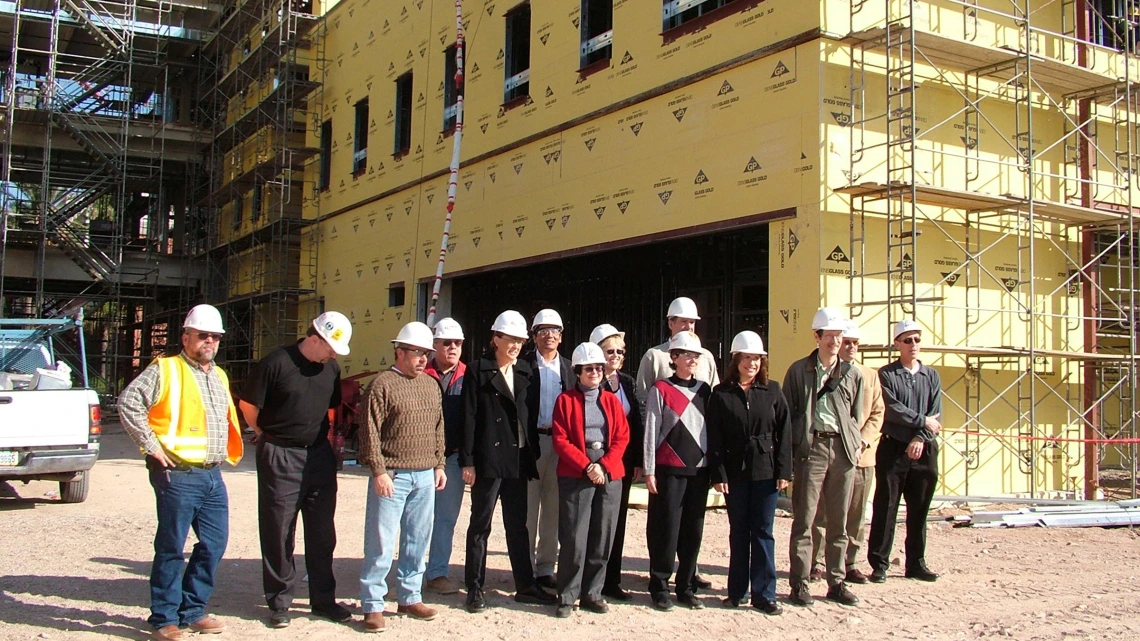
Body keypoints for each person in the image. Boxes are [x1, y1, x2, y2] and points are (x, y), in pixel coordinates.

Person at [119, 304, 243, 641]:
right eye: (203, 335)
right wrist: (151, 445)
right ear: (185, 336)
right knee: (172, 545)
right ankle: (164, 618)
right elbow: (129, 402)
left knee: (214, 543)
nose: (209, 341)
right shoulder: (166, 369)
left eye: (215, 337)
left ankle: (193, 610)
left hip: (211, 474)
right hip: (177, 473)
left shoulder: (218, 375)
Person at [238, 311, 353, 628]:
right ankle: (279, 603)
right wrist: (266, 437)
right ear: (314, 338)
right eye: (330, 347)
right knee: (278, 531)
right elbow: (248, 407)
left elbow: (329, 409)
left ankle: (323, 600)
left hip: (318, 457)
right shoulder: (276, 364)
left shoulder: (331, 368)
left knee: (322, 533)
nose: (332, 354)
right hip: (280, 455)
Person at [461, 310, 558, 613]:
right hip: (489, 460)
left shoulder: (525, 372)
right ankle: (475, 588)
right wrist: (468, 461)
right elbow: (469, 418)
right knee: (481, 525)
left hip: (518, 460)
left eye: (519, 340)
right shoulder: (479, 371)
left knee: (519, 526)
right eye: (510, 339)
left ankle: (526, 585)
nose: (515, 345)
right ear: (495, 339)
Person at [357, 322, 447, 633]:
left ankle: (410, 596)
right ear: (399, 352)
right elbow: (369, 431)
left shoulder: (431, 385)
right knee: (381, 542)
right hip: (393, 475)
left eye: (426, 353)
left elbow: (438, 427)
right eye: (417, 352)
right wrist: (379, 471)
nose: (423, 359)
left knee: (417, 540)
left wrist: (439, 464)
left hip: (424, 475)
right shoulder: (381, 385)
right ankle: (373, 604)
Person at [634, 296, 719, 591]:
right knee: (666, 521)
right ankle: (660, 576)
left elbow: (712, 405)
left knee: (692, 522)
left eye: (693, 322)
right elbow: (646, 406)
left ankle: (689, 574)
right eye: (683, 321)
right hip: (667, 453)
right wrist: (649, 463)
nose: (688, 325)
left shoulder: (706, 358)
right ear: (670, 323)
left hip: (696, 459)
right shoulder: (654, 357)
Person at [783, 308, 865, 608]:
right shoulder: (798, 371)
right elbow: (790, 413)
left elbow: (856, 414)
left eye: (838, 336)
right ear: (816, 337)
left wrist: (854, 445)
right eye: (829, 335)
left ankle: (836, 581)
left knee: (838, 520)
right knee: (804, 519)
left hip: (842, 450)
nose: (834, 341)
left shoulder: (852, 373)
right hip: (812, 448)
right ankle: (800, 582)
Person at [706, 331, 791, 616]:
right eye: (746, 358)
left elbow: (784, 434)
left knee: (763, 532)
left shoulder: (774, 391)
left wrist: (784, 470)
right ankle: (737, 592)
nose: (752, 363)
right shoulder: (721, 394)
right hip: (734, 473)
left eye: (756, 358)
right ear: (736, 360)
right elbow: (715, 437)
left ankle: (765, 594)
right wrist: (718, 474)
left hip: (766, 473)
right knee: (738, 532)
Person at [551, 342, 630, 618]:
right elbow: (560, 440)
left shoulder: (611, 401)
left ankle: (592, 593)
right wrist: (587, 466)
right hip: (576, 473)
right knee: (574, 536)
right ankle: (567, 595)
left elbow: (622, 438)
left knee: (602, 535)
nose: (595, 372)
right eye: (589, 368)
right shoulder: (565, 401)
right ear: (578, 371)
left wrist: (603, 466)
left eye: (598, 367)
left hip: (609, 474)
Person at [867, 319, 942, 584]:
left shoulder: (931, 376)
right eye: (907, 340)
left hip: (924, 449)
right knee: (886, 507)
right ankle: (879, 563)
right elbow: (892, 408)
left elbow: (936, 413)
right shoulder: (886, 375)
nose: (913, 345)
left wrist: (921, 437)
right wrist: (921, 423)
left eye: (917, 339)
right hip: (894, 448)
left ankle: (916, 563)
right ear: (897, 344)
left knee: (919, 508)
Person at [809, 320, 884, 584]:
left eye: (855, 343)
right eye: (847, 341)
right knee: (821, 511)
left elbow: (877, 412)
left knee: (855, 512)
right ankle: (816, 562)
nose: (851, 347)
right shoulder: (824, 372)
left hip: (860, 455)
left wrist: (862, 440)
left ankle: (849, 562)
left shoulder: (869, 374)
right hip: (826, 450)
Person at [642, 331, 713, 611]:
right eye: (687, 354)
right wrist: (649, 469)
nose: (692, 359)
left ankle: (686, 587)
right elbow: (650, 431)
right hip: (668, 470)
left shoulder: (706, 390)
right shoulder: (660, 389)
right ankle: (659, 586)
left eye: (695, 355)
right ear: (673, 358)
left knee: (692, 531)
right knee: (666, 530)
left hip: (699, 471)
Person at [591, 324, 644, 602]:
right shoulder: (589, 381)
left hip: (621, 463)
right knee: (593, 522)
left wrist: (637, 461)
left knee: (617, 522)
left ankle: (612, 580)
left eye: (620, 352)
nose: (616, 356)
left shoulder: (627, 382)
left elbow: (635, 422)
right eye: (610, 351)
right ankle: (591, 581)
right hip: (596, 462)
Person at [523, 309, 573, 590]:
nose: (549, 335)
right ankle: (526, 566)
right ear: (534, 336)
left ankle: (545, 567)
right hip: (533, 445)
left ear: (561, 336)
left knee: (553, 509)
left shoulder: (569, 369)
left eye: (554, 330)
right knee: (529, 510)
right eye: (542, 330)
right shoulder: (522, 366)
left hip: (560, 445)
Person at [424, 317, 467, 595]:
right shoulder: (419, 373)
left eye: (458, 343)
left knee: (445, 519)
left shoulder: (470, 376)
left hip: (452, 458)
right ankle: (410, 575)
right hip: (419, 459)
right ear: (434, 345)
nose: (452, 347)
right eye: (446, 342)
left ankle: (437, 573)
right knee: (414, 520)